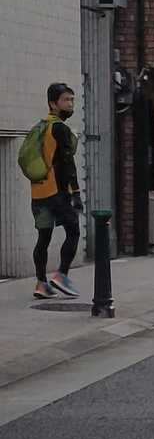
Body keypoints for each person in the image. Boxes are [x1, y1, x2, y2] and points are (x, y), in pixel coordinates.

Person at [28, 82, 82, 300]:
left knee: (43, 237)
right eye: (66, 100)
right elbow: (68, 163)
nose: (70, 104)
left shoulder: (40, 127)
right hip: (56, 192)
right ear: (53, 103)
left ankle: (41, 284)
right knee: (74, 230)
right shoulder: (60, 128)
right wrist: (76, 193)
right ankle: (61, 275)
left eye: (72, 100)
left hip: (38, 192)